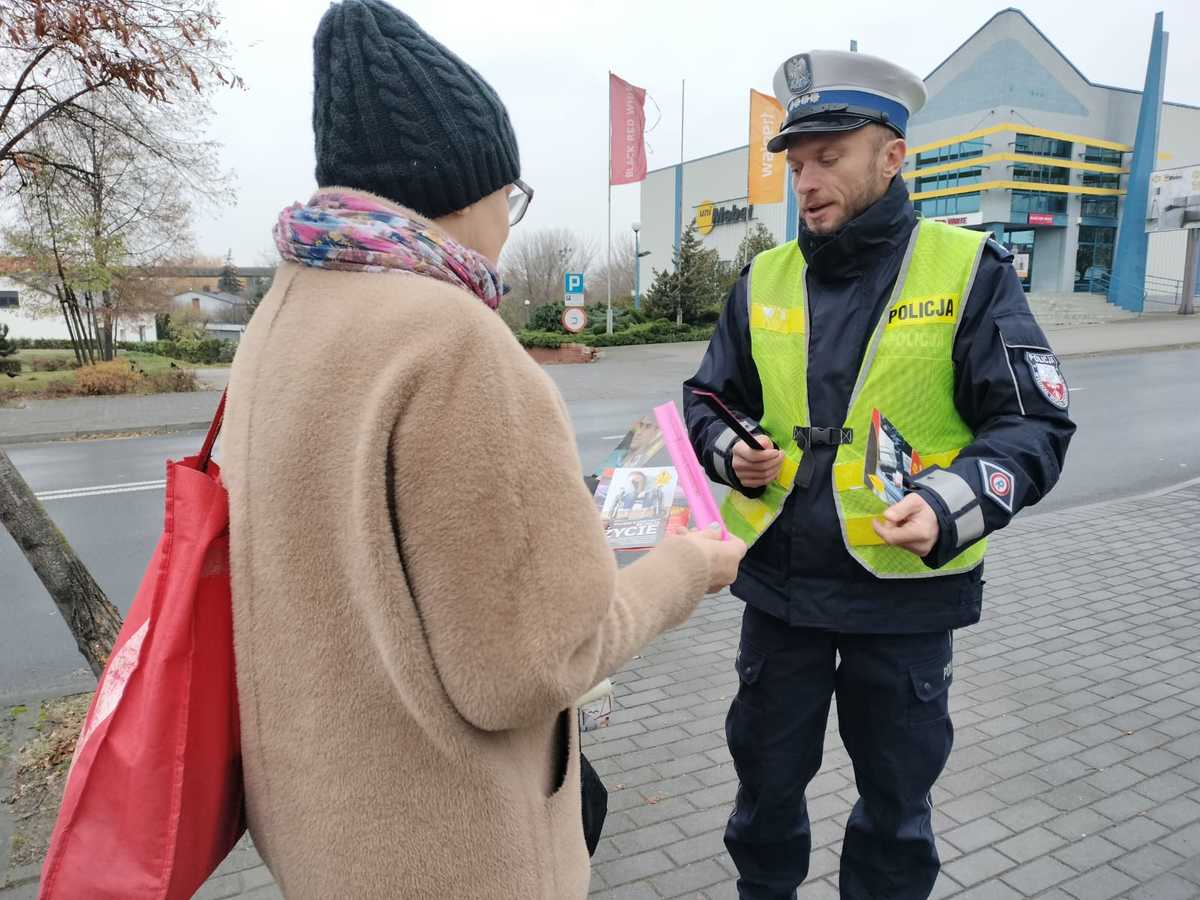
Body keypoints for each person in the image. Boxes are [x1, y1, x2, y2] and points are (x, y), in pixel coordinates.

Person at [221, 3, 746, 898]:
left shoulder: (282, 318)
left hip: (321, 827)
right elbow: (529, 668)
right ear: (467, 191)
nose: (510, 221)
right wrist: (687, 569)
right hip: (448, 849)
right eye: (512, 195)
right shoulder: (453, 339)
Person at [683, 50, 1075, 900]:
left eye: (829, 157)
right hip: (780, 592)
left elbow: (1033, 424)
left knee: (896, 816)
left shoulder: (968, 271)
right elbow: (708, 398)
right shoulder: (764, 278)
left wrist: (948, 503)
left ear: (892, 156)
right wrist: (732, 450)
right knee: (763, 800)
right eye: (797, 165)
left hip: (902, 599)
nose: (807, 182)